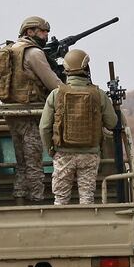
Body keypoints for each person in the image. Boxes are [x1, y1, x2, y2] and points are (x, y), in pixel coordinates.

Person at [0, 16, 62, 204]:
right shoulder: (33, 53)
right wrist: (72, 95)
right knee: (34, 162)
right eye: (43, 31)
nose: (46, 36)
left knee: (21, 163)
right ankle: (37, 203)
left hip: (11, 113)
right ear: (30, 32)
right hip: (30, 114)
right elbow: (54, 84)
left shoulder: (9, 51)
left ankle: (19, 196)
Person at [39, 49, 117, 205]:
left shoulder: (56, 94)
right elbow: (112, 123)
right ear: (86, 68)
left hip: (63, 154)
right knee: (87, 198)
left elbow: (44, 127)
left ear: (66, 70)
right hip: (90, 154)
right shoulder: (99, 94)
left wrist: (51, 151)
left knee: (60, 199)